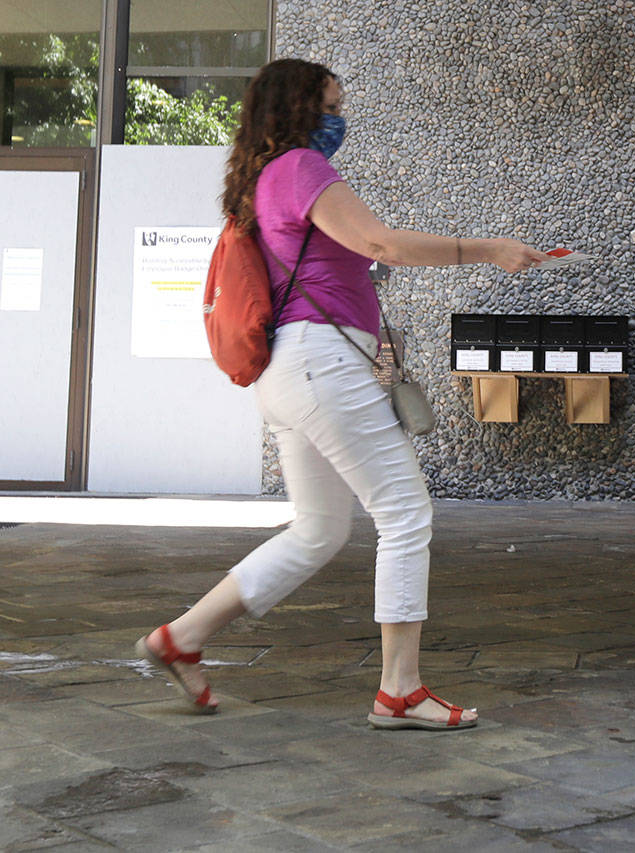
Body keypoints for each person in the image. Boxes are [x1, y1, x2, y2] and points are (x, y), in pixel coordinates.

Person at [135, 58, 548, 730]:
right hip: (319, 366)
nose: (340, 116)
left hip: (292, 373)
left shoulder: (264, 179)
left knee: (318, 529)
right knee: (406, 512)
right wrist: (488, 247)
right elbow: (383, 240)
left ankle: (181, 636)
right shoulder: (301, 168)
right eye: (331, 104)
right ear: (298, 109)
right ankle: (400, 688)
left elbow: (349, 261)